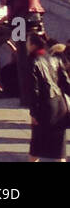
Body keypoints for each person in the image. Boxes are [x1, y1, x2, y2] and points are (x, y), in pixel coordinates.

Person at [27, 33, 70, 162]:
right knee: (59, 147)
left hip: (45, 106)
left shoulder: (33, 62)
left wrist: (33, 112)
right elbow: (65, 83)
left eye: (28, 43)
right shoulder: (55, 59)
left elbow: (34, 91)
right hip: (60, 104)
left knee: (36, 145)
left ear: (33, 45)